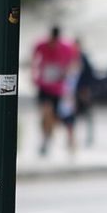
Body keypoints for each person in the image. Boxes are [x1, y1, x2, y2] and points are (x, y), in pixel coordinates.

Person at [30, 26, 78, 156]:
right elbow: (33, 60)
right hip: (44, 86)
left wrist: (66, 76)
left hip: (58, 88)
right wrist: (34, 76)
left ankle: (50, 136)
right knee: (46, 112)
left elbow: (72, 64)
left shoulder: (66, 48)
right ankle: (45, 137)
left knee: (57, 116)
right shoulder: (40, 45)